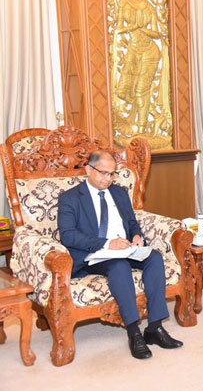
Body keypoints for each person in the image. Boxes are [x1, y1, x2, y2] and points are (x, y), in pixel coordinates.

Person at [58, 150, 183, 360]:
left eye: (112, 174)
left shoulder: (119, 193)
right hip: (95, 254)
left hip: (126, 248)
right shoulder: (70, 198)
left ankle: (154, 328)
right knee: (119, 266)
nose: (108, 179)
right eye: (103, 173)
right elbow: (69, 236)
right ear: (88, 169)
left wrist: (136, 236)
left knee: (154, 259)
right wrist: (107, 243)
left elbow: (132, 222)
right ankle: (134, 332)